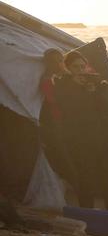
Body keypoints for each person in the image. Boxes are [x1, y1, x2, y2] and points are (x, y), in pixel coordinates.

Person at [55, 52, 108, 211]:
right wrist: (76, 87)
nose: (80, 70)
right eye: (75, 67)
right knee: (85, 177)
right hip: (79, 139)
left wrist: (94, 92)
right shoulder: (62, 84)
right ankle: (87, 211)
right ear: (68, 68)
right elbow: (65, 108)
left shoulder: (96, 84)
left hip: (100, 137)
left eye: (82, 66)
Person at [38, 48, 76, 185]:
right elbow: (53, 100)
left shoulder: (58, 78)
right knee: (64, 155)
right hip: (55, 123)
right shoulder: (47, 80)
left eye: (60, 60)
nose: (59, 64)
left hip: (61, 121)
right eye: (56, 61)